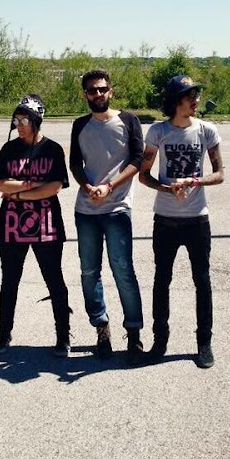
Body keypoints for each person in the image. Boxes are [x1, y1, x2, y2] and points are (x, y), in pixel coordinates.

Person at [139, 75, 224, 368]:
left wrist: (195, 181)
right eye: (190, 96)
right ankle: (159, 340)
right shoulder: (158, 132)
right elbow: (144, 175)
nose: (196, 100)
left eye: (196, 95)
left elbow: (220, 174)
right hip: (165, 220)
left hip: (197, 219)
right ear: (176, 101)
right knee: (162, 280)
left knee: (202, 281)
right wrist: (167, 188)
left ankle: (204, 343)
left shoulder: (207, 131)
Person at [70, 69, 145, 364]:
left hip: (117, 208)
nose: (98, 94)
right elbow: (75, 163)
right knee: (89, 272)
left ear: (110, 91)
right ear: (85, 94)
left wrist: (110, 186)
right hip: (86, 210)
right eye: (92, 90)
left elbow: (137, 160)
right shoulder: (80, 125)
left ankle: (134, 333)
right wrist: (87, 186)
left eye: (102, 89)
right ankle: (102, 328)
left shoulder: (128, 120)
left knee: (123, 270)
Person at [0, 94, 71, 357]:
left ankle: (63, 335)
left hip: (47, 225)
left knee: (54, 279)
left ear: (37, 120)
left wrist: (18, 194)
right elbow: (0, 183)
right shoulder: (8, 149)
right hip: (12, 225)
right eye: (16, 120)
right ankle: (4, 333)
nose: (20, 126)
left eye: (25, 120)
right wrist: (33, 185)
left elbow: (54, 186)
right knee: (9, 280)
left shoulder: (53, 149)